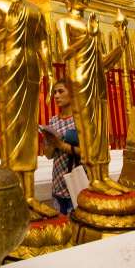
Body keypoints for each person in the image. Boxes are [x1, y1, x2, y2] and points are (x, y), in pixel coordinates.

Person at [0, 0, 56, 218]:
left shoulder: (36, 10)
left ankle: (29, 195)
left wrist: (49, 71)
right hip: (8, 66)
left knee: (28, 133)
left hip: (29, 69)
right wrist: (8, 26)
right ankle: (13, 193)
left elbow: (42, 43)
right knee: (10, 130)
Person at [56, 0, 130, 195]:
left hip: (97, 79)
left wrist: (122, 42)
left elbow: (103, 62)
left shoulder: (91, 25)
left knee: (101, 129)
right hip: (79, 80)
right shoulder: (64, 22)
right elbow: (65, 52)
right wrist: (88, 35)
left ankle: (104, 175)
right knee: (87, 130)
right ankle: (93, 178)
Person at [42, 80, 81, 214]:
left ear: (72, 93)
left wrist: (61, 145)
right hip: (58, 182)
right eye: (54, 92)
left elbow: (87, 153)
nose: (56, 96)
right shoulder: (53, 121)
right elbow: (48, 155)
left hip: (76, 182)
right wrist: (49, 141)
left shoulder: (80, 120)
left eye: (61, 91)